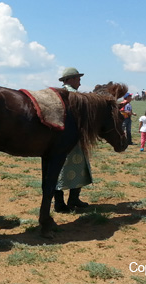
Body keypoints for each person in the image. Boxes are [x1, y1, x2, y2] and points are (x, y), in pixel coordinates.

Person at [54, 67, 92, 213]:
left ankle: (66, 200)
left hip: (60, 138)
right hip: (73, 139)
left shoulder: (58, 93)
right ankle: (64, 202)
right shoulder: (74, 95)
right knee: (71, 169)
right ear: (70, 79)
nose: (80, 83)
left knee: (60, 169)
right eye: (78, 79)